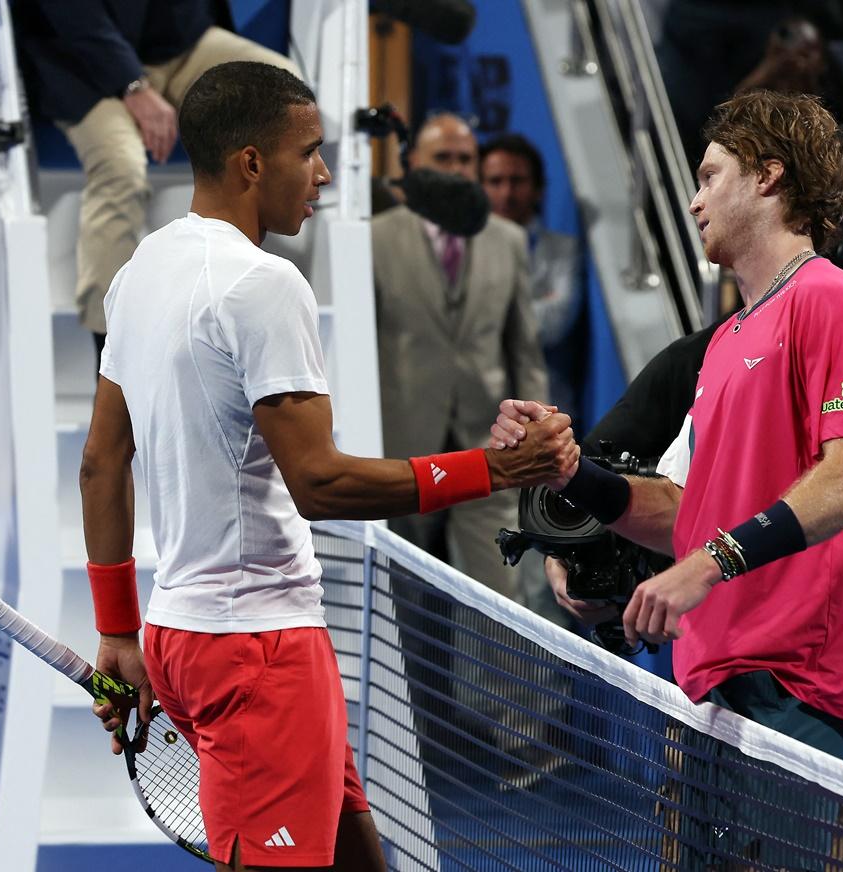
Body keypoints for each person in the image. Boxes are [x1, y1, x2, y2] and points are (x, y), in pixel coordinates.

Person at [79, 62, 576, 872]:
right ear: (249, 163)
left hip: (187, 634)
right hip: (257, 651)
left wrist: (116, 631)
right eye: (308, 152)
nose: (323, 174)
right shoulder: (264, 284)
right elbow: (321, 483)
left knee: (359, 858)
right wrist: (497, 469)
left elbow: (102, 463)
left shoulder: (143, 269)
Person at [496, 90, 843, 761]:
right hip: (714, 677)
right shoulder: (724, 342)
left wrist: (708, 566)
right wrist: (571, 473)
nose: (694, 200)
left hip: (791, 678)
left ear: (768, 177)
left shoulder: (830, 298)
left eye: (711, 176)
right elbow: (685, 513)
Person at [11, 0, 301, 352]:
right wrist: (134, 86)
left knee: (285, 98)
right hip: (83, 65)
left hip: (180, 44)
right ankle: (111, 355)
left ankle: (237, 288)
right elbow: (75, 17)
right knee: (121, 171)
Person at [372, 114, 548, 602]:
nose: (455, 169)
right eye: (442, 158)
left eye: (465, 159)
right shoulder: (373, 238)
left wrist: (537, 434)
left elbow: (524, 351)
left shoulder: (507, 239)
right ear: (414, 166)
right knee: (403, 610)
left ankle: (506, 685)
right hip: (401, 452)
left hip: (489, 449)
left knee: (501, 608)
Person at [478, 133, 584, 420]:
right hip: (475, 411)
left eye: (517, 181)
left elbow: (556, 321)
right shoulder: (462, 251)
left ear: (537, 189)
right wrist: (533, 303)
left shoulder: (563, 250)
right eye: (495, 181)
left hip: (545, 407)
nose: (506, 193)